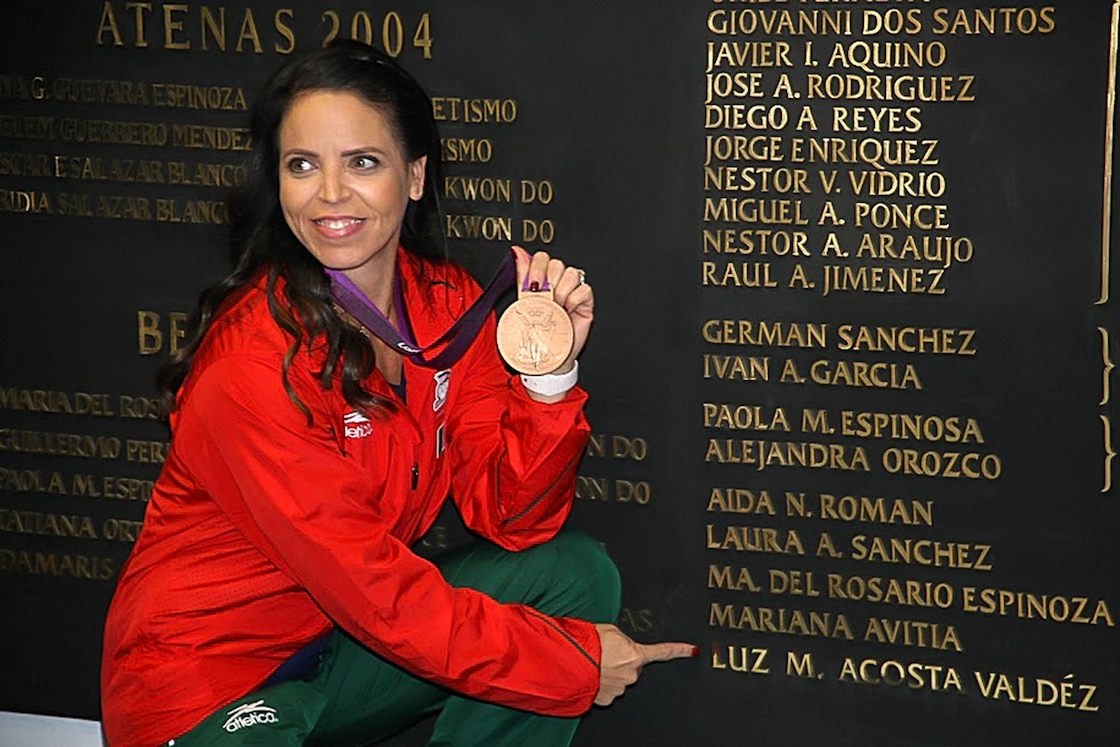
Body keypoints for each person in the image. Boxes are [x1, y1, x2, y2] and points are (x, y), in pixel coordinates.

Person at [100, 40, 694, 747]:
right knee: (542, 644)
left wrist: (546, 378)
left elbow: (510, 517)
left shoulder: (445, 304)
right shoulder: (251, 365)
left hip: (340, 649)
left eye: (362, 162)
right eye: (302, 166)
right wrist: (573, 665)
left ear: (413, 177)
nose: (328, 194)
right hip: (209, 687)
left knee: (570, 575)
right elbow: (380, 595)